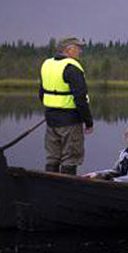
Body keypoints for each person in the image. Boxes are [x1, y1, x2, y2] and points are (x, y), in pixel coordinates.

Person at [39, 36, 93, 175]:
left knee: (53, 157)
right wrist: (88, 122)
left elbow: (42, 93)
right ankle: (66, 189)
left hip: (51, 119)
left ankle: (49, 186)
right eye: (78, 48)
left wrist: (52, 110)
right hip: (70, 121)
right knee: (71, 157)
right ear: (69, 49)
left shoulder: (47, 65)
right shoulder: (72, 67)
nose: (80, 51)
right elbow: (80, 99)